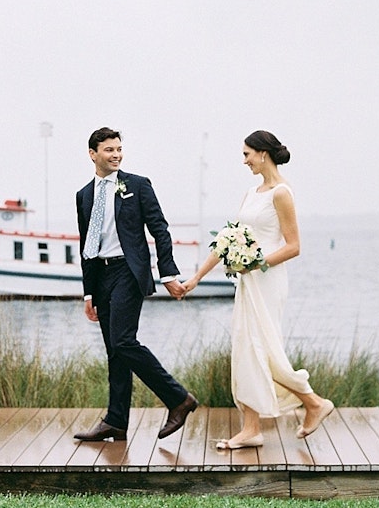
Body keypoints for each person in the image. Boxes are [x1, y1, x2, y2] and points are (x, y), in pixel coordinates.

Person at [182, 130, 334, 449]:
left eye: (247, 154)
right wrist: (196, 279)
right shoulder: (251, 193)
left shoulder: (282, 193)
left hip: (267, 280)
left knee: (262, 349)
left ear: (263, 154)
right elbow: (227, 240)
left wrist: (256, 263)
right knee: (246, 351)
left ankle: (313, 402)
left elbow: (294, 246)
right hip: (248, 282)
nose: (244, 160)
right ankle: (252, 428)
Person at [72, 127, 199, 442]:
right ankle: (116, 421)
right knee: (115, 352)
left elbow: (160, 229)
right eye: (108, 150)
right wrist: (88, 291)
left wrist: (168, 274)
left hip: (129, 272)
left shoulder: (138, 185)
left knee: (124, 342)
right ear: (93, 154)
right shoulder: (84, 195)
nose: (116, 154)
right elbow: (86, 244)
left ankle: (178, 398)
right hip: (100, 276)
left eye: (118, 149)